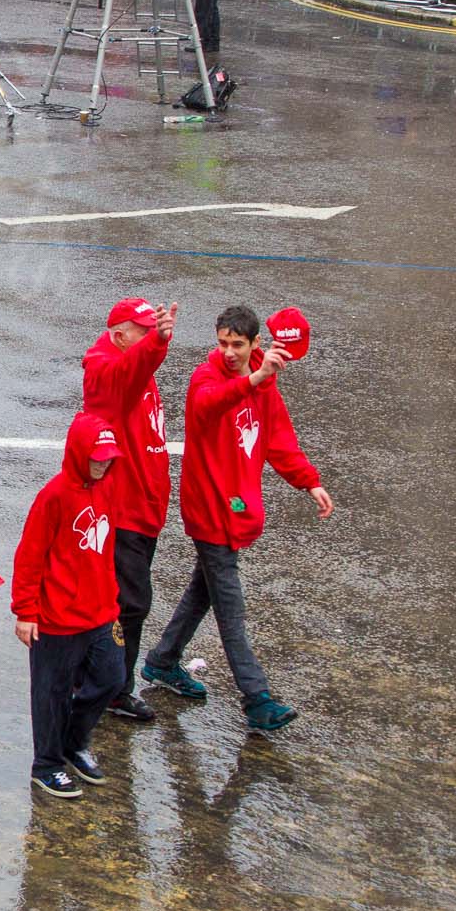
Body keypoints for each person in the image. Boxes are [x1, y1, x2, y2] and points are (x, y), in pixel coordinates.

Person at [141, 306, 332, 733]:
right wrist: (253, 380)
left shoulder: (265, 383)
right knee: (231, 609)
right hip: (210, 511)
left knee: (203, 592)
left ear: (254, 344)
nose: (228, 352)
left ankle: (162, 661)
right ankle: (257, 699)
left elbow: (278, 440)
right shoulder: (205, 378)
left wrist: (309, 482)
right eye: (223, 342)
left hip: (235, 509)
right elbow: (210, 404)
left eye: (237, 345)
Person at [12, 411, 129, 800]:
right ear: (79, 453)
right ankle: (46, 764)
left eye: (108, 457)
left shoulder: (110, 487)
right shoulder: (54, 496)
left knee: (112, 678)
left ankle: (72, 742)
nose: (102, 464)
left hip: (101, 612)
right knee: (51, 692)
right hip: (56, 619)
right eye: (96, 457)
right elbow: (30, 556)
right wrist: (26, 611)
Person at [81, 297, 178, 724]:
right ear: (121, 336)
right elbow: (130, 371)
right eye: (142, 329)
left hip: (144, 505)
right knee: (130, 603)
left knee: (126, 601)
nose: (150, 334)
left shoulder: (131, 358)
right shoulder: (108, 371)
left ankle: (105, 682)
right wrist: (156, 343)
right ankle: (113, 688)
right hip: (124, 511)